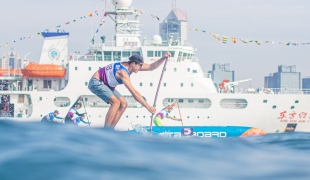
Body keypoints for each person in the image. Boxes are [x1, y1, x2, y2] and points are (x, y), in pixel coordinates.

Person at [88, 52, 171, 129]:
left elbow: (151, 67)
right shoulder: (122, 72)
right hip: (97, 82)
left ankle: (111, 130)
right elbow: (134, 93)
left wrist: (163, 58)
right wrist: (148, 107)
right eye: (140, 65)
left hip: (107, 84)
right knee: (116, 103)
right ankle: (106, 131)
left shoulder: (131, 65)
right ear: (133, 64)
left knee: (123, 104)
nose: (141, 68)